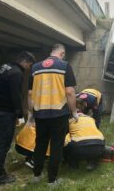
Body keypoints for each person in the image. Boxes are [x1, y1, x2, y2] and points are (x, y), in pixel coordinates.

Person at [28, 44, 78, 185]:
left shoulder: (35, 67)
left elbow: (30, 93)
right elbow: (70, 92)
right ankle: (52, 180)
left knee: (40, 144)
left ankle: (36, 176)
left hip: (40, 113)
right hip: (59, 113)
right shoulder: (64, 66)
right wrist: (74, 111)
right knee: (56, 145)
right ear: (62, 53)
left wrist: (30, 114)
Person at [0, 51, 36, 185]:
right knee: (2, 144)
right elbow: (16, 96)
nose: (29, 68)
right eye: (29, 65)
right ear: (24, 61)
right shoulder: (16, 73)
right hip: (5, 114)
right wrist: (20, 116)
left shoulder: (4, 67)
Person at [63, 105, 105, 171]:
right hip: (99, 146)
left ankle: (73, 164)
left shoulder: (69, 121)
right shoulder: (91, 119)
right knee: (95, 136)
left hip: (79, 148)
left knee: (65, 139)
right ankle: (92, 162)